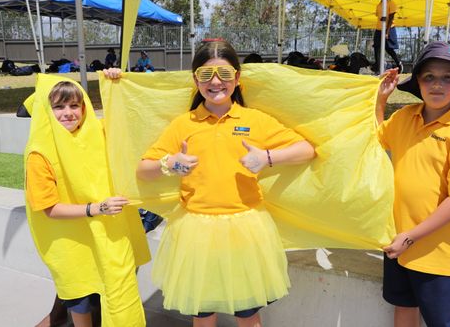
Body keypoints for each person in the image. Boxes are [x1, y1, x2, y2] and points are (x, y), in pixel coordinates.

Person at [105, 40, 315, 327]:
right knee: (202, 313)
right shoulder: (184, 124)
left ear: (237, 79)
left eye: (225, 75)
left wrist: (267, 157)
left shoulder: (255, 120)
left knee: (248, 312)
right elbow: (143, 169)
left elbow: (307, 150)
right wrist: (170, 164)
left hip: (246, 230)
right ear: (195, 80)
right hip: (195, 232)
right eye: (206, 76)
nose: (216, 82)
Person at [376, 42, 450, 327]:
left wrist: (410, 237)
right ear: (419, 82)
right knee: (403, 309)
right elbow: (375, 140)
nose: (437, 85)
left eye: (447, 77)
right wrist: (380, 101)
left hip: (438, 254)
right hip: (398, 245)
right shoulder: (404, 117)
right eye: (429, 77)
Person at [25, 78, 150, 327]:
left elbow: (131, 117)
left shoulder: (98, 131)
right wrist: (97, 208)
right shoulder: (39, 154)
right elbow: (49, 209)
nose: (68, 113)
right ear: (46, 111)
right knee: (80, 302)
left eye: (74, 105)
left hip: (108, 237)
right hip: (71, 246)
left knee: (119, 295)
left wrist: (117, 81)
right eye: (59, 107)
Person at [371, 0, 402, 74]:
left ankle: (398, 63)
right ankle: (378, 65)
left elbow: (391, 17)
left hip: (389, 28)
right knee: (376, 47)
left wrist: (387, 32)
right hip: (378, 29)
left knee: (388, 48)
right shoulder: (379, 4)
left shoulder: (391, 3)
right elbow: (378, 16)